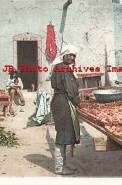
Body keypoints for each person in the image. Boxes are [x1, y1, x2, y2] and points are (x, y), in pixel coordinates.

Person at [50, 45, 82, 175]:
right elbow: (70, 89)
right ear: (63, 55)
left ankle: (63, 164)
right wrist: (79, 102)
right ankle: (59, 167)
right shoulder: (62, 68)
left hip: (59, 101)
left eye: (74, 55)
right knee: (62, 135)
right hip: (63, 103)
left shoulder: (58, 67)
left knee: (64, 133)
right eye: (70, 55)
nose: (72, 57)